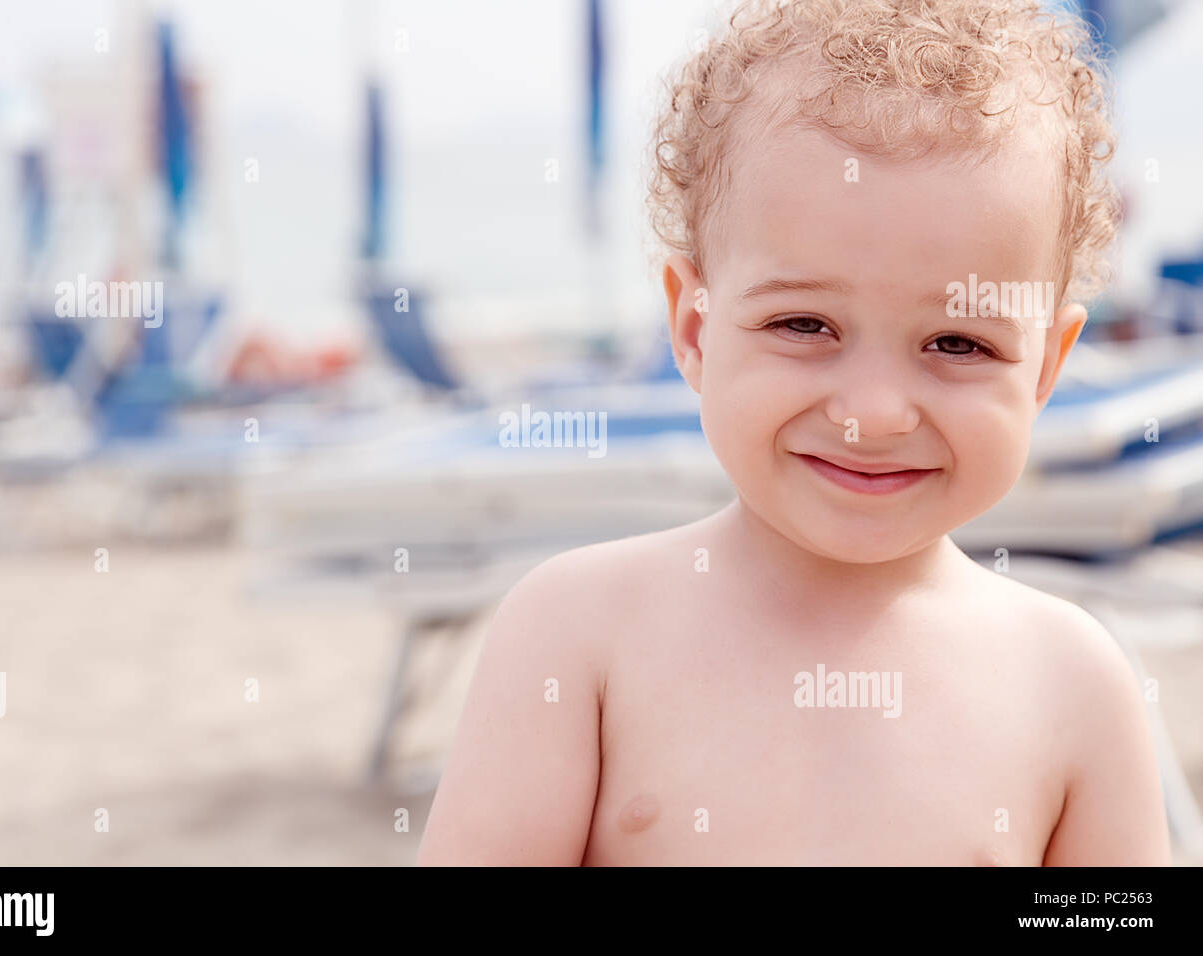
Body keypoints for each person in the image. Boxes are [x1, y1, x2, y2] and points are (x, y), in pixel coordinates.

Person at [417, 0, 1171, 865]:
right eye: (805, 325)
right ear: (695, 328)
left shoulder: (1074, 685)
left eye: (958, 342)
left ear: (1043, 369)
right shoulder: (578, 635)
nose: (876, 412)